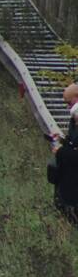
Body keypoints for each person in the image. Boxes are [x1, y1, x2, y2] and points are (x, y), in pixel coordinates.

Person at [51, 83, 78, 221]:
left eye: (69, 103)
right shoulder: (74, 119)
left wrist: (61, 152)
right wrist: (62, 140)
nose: (68, 108)